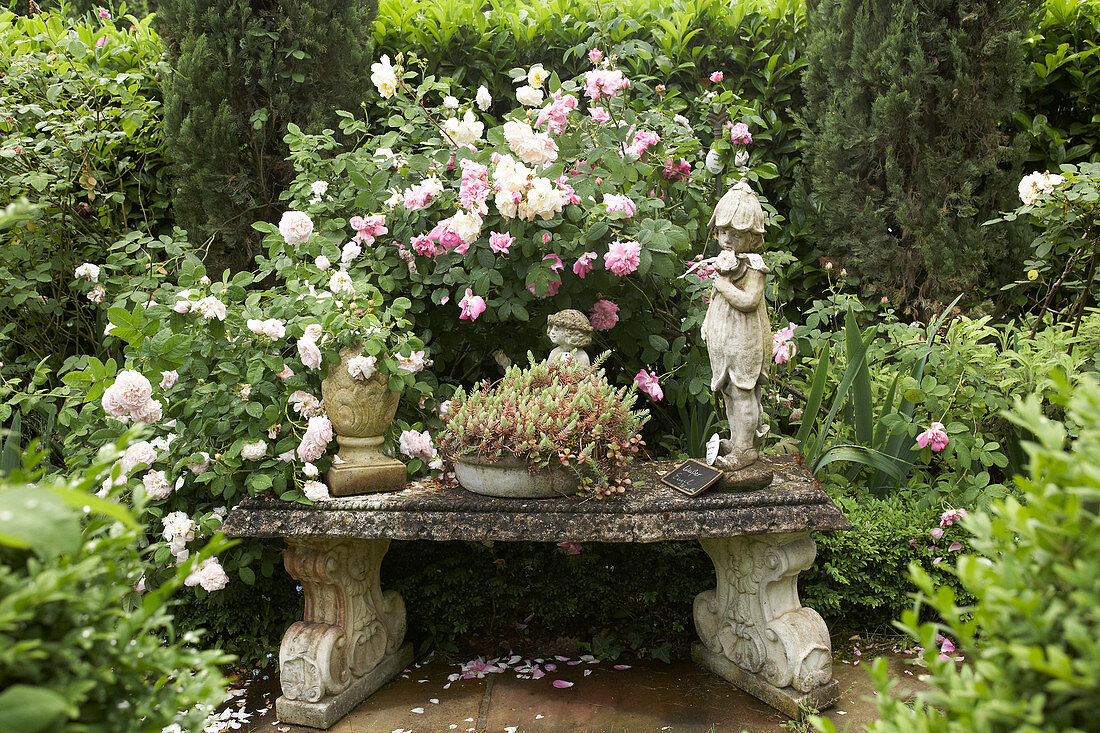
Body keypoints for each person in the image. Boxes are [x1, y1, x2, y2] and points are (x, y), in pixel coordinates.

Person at [701, 180, 772, 471]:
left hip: (744, 340)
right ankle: (739, 439)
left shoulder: (754, 266)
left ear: (752, 238)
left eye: (736, 234)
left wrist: (722, 283)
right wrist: (707, 323)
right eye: (722, 232)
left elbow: (749, 301)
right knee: (730, 391)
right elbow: (716, 300)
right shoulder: (725, 262)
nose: (727, 240)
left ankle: (746, 450)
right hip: (723, 341)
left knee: (743, 391)